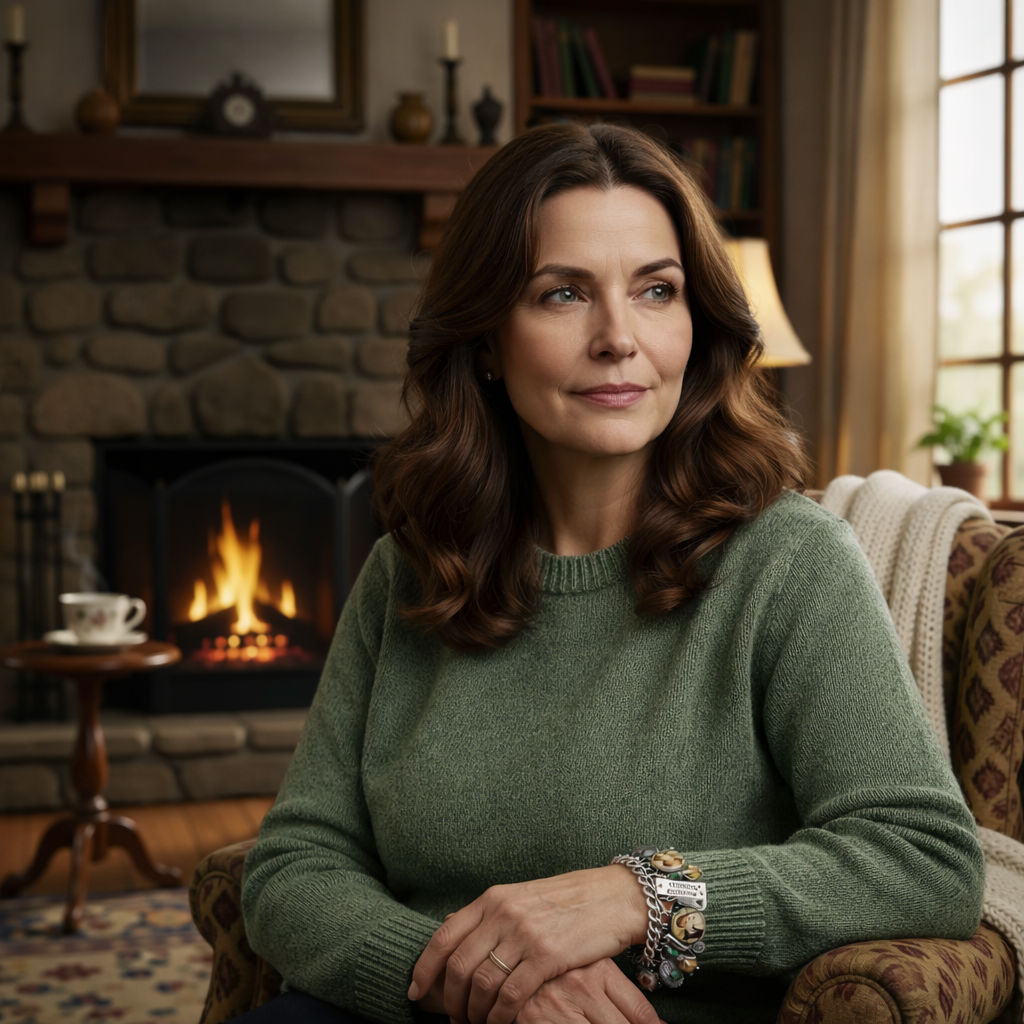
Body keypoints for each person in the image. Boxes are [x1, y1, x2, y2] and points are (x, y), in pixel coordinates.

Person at [238, 122, 984, 1024]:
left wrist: (641, 897)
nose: (618, 338)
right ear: (483, 339)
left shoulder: (789, 564)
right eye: (562, 294)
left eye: (656, 291)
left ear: (695, 321)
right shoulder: (409, 570)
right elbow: (294, 864)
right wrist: (482, 989)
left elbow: (923, 858)